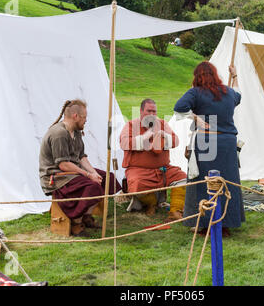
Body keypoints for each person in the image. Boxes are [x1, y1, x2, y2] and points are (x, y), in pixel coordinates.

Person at [173, 61, 245, 237]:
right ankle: (225, 225)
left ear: (197, 77)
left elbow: (178, 108)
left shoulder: (196, 93)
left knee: (206, 184)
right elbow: (239, 95)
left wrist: (195, 118)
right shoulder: (228, 93)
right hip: (227, 142)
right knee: (225, 182)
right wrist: (234, 76)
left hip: (207, 141)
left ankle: (206, 225)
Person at [39, 99, 121, 237]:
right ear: (75, 116)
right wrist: (88, 176)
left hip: (71, 172)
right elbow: (63, 164)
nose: (86, 120)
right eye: (84, 117)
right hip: (56, 177)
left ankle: (86, 216)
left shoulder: (76, 131)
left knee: (107, 179)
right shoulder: (59, 134)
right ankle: (76, 224)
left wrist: (94, 173)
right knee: (92, 186)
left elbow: (81, 157)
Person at [119, 99, 186, 222]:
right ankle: (152, 203)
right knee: (137, 183)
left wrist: (164, 135)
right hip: (139, 171)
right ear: (141, 111)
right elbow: (123, 143)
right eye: (148, 111)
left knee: (183, 179)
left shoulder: (162, 124)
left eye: (154, 111)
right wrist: (145, 137)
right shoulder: (131, 125)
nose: (152, 114)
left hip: (163, 170)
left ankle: (175, 211)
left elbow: (176, 141)